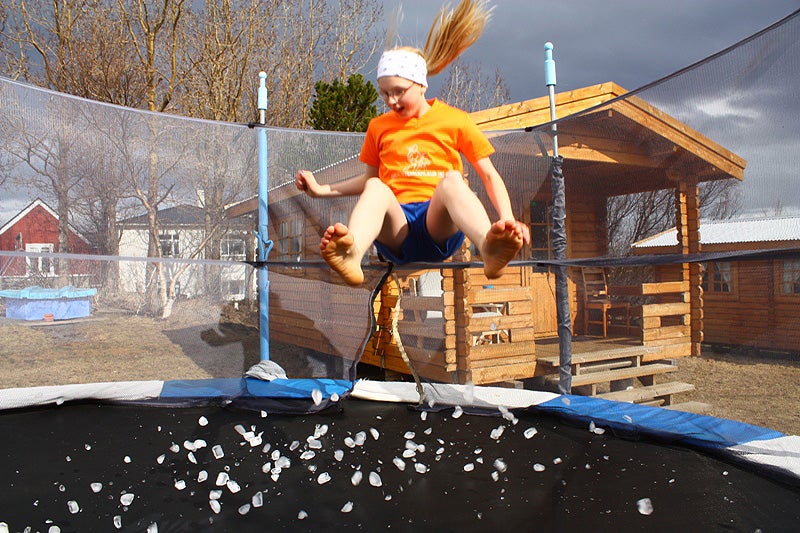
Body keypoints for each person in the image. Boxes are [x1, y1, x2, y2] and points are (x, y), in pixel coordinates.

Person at [296, 0, 529, 287]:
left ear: (421, 84)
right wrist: (320, 191)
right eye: (384, 94)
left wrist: (507, 221)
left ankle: (489, 247)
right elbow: (368, 181)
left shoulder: (455, 120)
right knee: (376, 186)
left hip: (437, 224)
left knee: (453, 180)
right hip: (398, 229)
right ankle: (352, 254)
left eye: (398, 92)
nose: (391, 101)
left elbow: (490, 176)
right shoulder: (378, 127)